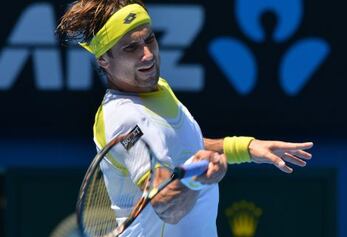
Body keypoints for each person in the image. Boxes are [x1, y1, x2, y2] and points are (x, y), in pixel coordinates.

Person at [57, 1, 313, 236]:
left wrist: (244, 147)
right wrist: (195, 179)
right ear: (103, 60)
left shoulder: (155, 88)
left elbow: (179, 144)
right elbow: (164, 203)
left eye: (150, 39)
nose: (147, 55)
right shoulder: (125, 119)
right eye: (131, 48)